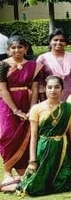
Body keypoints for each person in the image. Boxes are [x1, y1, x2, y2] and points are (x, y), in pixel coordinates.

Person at [17, 76, 71, 196]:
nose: (53, 90)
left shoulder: (68, 108)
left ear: (62, 89)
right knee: (34, 188)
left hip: (62, 148)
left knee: (64, 183)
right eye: (49, 87)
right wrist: (32, 160)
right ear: (45, 89)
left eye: (57, 87)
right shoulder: (36, 109)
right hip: (44, 148)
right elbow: (34, 136)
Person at [1, 36, 40, 188]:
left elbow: (35, 89)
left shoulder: (34, 66)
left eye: (20, 47)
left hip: (27, 101)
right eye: (13, 47)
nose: (17, 50)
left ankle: (22, 171)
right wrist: (16, 110)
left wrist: (32, 109)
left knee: (25, 134)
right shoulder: (3, 65)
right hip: (8, 104)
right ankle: (7, 172)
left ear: (26, 48)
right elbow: (2, 89)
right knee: (8, 135)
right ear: (8, 50)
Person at [37, 30, 71, 101]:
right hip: (51, 98)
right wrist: (43, 101)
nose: (58, 42)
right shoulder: (42, 59)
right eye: (55, 40)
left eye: (62, 40)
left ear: (66, 43)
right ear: (50, 42)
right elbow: (40, 82)